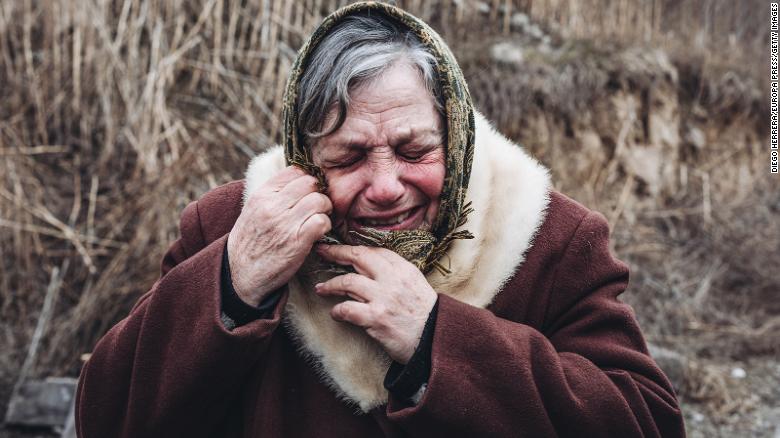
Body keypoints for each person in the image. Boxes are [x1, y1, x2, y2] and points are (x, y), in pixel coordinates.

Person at [75, 3, 685, 437]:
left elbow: (646, 421)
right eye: (348, 157)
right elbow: (104, 418)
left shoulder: (548, 240)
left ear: (458, 136)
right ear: (304, 157)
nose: (387, 187)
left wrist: (435, 340)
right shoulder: (230, 230)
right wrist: (234, 284)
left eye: (417, 150)